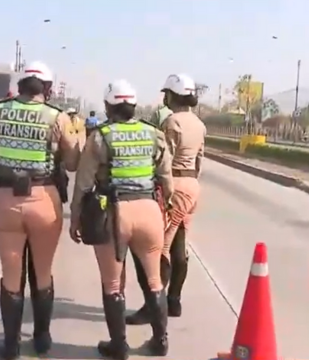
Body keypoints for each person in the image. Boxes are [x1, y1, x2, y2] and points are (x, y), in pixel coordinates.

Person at [69, 79, 174, 359]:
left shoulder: (101, 136)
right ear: (134, 106)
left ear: (107, 106)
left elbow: (83, 184)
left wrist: (75, 218)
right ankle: (160, 340)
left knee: (113, 285)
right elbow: (166, 177)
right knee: (154, 280)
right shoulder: (153, 134)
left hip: (114, 212)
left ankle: (119, 346)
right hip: (149, 210)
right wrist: (169, 206)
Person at [0, 61, 81, 359]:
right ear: (47, 89)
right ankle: (42, 337)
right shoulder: (56, 117)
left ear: (20, 86)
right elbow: (73, 162)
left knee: (10, 273)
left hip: (5, 199)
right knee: (42, 271)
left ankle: (10, 345)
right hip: (44, 199)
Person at [126, 74, 205, 325]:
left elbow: (164, 161)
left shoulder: (172, 122)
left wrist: (158, 189)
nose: (164, 97)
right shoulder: (198, 124)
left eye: (167, 94)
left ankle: (153, 306)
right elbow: (200, 160)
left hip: (176, 184)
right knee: (178, 243)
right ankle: (174, 301)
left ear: (172, 95)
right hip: (192, 184)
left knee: (159, 249)